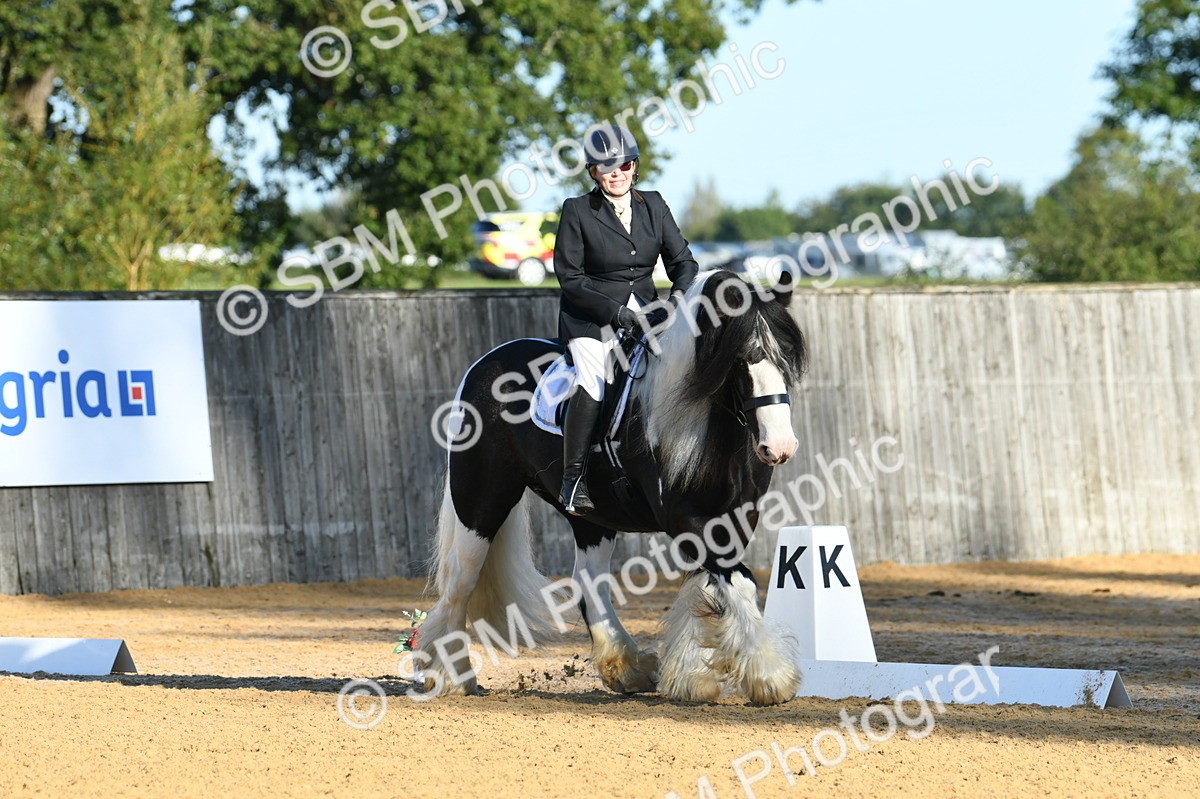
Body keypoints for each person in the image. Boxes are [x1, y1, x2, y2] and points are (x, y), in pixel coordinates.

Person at [553, 124, 699, 515]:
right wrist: (617, 313)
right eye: (606, 167)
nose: (616, 173)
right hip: (591, 320)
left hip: (650, 316)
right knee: (594, 379)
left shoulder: (654, 204)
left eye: (624, 165)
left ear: (635, 167)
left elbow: (683, 262)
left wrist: (677, 300)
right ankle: (573, 479)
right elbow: (570, 278)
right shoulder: (578, 211)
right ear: (593, 172)